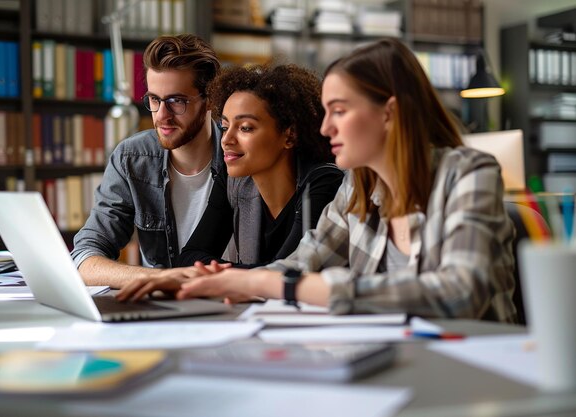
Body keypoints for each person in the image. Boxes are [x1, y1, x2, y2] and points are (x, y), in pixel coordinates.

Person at [173, 38, 518, 323]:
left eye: (339, 110)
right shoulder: (357, 185)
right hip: (396, 365)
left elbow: (462, 293)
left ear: (389, 112)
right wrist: (217, 281)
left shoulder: (469, 173)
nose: (325, 129)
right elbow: (302, 263)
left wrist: (286, 285)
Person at [116, 63, 344, 302]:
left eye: (245, 128)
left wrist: (214, 276)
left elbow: (288, 272)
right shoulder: (235, 180)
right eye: (224, 127)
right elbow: (190, 256)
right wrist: (221, 275)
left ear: (290, 135)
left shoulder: (323, 183)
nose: (226, 140)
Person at [71, 34, 223, 289]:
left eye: (176, 101)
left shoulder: (240, 155)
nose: (162, 115)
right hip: (163, 310)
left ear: (210, 99)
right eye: (154, 99)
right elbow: (86, 257)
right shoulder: (132, 159)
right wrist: (159, 279)